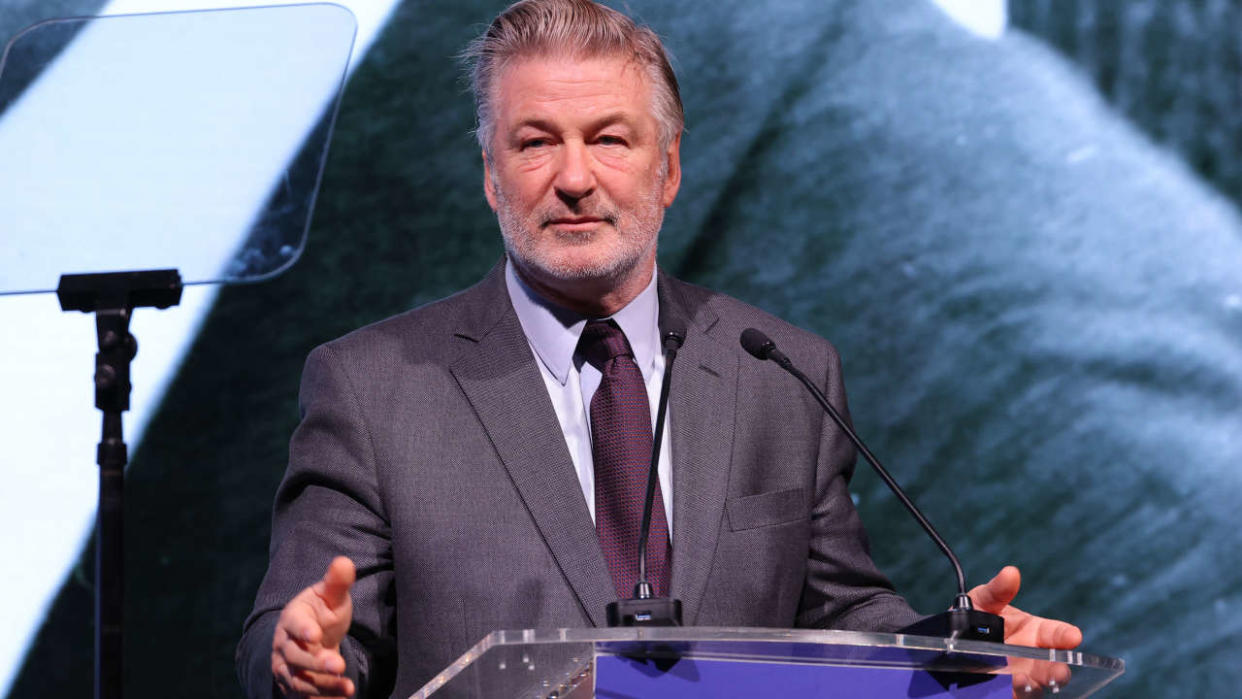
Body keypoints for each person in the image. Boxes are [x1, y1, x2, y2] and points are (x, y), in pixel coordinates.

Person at [237, 1, 1082, 696]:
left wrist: (952, 653)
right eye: (536, 142)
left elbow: (838, 616)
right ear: (491, 175)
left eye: (609, 139)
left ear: (668, 170)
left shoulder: (781, 371)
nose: (573, 177)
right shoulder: (374, 386)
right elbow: (294, 634)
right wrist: (301, 659)